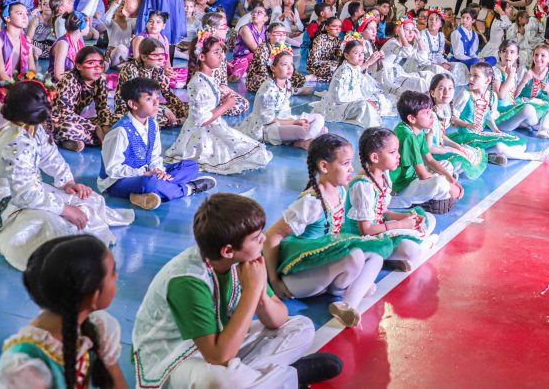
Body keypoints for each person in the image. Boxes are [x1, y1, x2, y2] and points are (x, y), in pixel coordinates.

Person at [132, 193, 341, 388]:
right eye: (256, 237)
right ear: (228, 250)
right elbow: (218, 356)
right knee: (218, 380)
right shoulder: (188, 280)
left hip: (220, 340)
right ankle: (289, 377)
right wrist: (251, 291)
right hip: (177, 356)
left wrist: (259, 294)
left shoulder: (242, 262)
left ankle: (260, 379)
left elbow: (278, 319)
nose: (264, 239)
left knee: (301, 327)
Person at [0, 81, 133, 271]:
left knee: (88, 200)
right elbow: (25, 196)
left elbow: (49, 155)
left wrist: (67, 181)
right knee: (49, 225)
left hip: (23, 190)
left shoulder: (31, 127)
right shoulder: (17, 141)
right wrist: (65, 209)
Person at [263, 134, 388, 328]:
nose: (352, 168)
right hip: (298, 277)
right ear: (324, 166)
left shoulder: (340, 191)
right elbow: (271, 236)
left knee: (375, 255)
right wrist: (274, 280)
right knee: (354, 256)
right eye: (346, 163)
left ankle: (346, 303)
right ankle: (350, 289)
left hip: (325, 268)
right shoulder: (312, 203)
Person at [0, 235, 127, 388]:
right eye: (112, 273)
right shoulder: (23, 368)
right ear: (93, 297)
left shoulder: (96, 328)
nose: (116, 276)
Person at [100, 77, 216, 210]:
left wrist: (160, 171)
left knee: (191, 165)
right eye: (149, 99)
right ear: (133, 104)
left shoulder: (152, 124)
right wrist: (144, 173)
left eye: (157, 97)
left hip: (149, 173)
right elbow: (112, 170)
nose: (157, 103)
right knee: (149, 183)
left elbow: (155, 156)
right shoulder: (120, 132)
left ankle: (144, 194)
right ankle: (188, 188)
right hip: (117, 182)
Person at [164, 33, 273, 174]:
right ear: (202, 57)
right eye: (216, 52)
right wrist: (226, 105)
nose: (221, 56)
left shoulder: (209, 77)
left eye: (221, 52)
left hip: (215, 125)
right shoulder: (198, 83)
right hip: (201, 134)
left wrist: (221, 99)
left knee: (254, 150)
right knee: (247, 154)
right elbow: (201, 120)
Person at [236, 45, 326, 149]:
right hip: (265, 127)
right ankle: (302, 140)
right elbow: (267, 120)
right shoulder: (269, 88)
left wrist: (294, 121)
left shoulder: (287, 83)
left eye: (291, 64)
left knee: (319, 117)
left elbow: (285, 111)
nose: (290, 68)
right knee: (301, 131)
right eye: (284, 64)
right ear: (273, 68)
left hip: (283, 119)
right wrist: (294, 123)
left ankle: (302, 140)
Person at [392, 90, 464, 210]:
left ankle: (433, 197)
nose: (431, 116)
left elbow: (429, 160)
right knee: (439, 183)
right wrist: (450, 186)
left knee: (447, 166)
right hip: (401, 187)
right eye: (426, 113)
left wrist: (450, 179)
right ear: (412, 118)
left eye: (430, 111)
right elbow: (423, 174)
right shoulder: (407, 136)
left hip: (412, 177)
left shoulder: (417, 130)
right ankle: (415, 201)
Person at [311, 37, 392, 128]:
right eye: (356, 53)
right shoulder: (344, 71)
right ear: (346, 55)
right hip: (340, 105)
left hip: (354, 100)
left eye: (362, 53)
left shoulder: (353, 66)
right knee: (365, 106)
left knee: (380, 100)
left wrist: (370, 62)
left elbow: (358, 71)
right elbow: (339, 97)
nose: (360, 56)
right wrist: (362, 100)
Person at [50, 46, 118, 152]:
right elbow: (65, 114)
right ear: (79, 66)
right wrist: (96, 129)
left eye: (100, 63)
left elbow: (103, 108)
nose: (97, 67)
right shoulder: (68, 80)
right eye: (91, 63)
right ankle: (74, 138)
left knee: (117, 121)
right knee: (68, 128)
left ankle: (73, 140)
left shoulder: (100, 80)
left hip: (79, 120)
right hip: (58, 120)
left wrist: (106, 126)